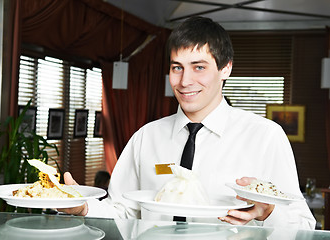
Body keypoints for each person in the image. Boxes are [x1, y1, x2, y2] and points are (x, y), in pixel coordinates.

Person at [62, 16, 315, 229]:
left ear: (225, 68)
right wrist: (83, 207)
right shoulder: (146, 137)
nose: (185, 82)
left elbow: (304, 226)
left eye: (199, 67)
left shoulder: (265, 136)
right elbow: (123, 213)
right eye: (177, 68)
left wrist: (269, 212)